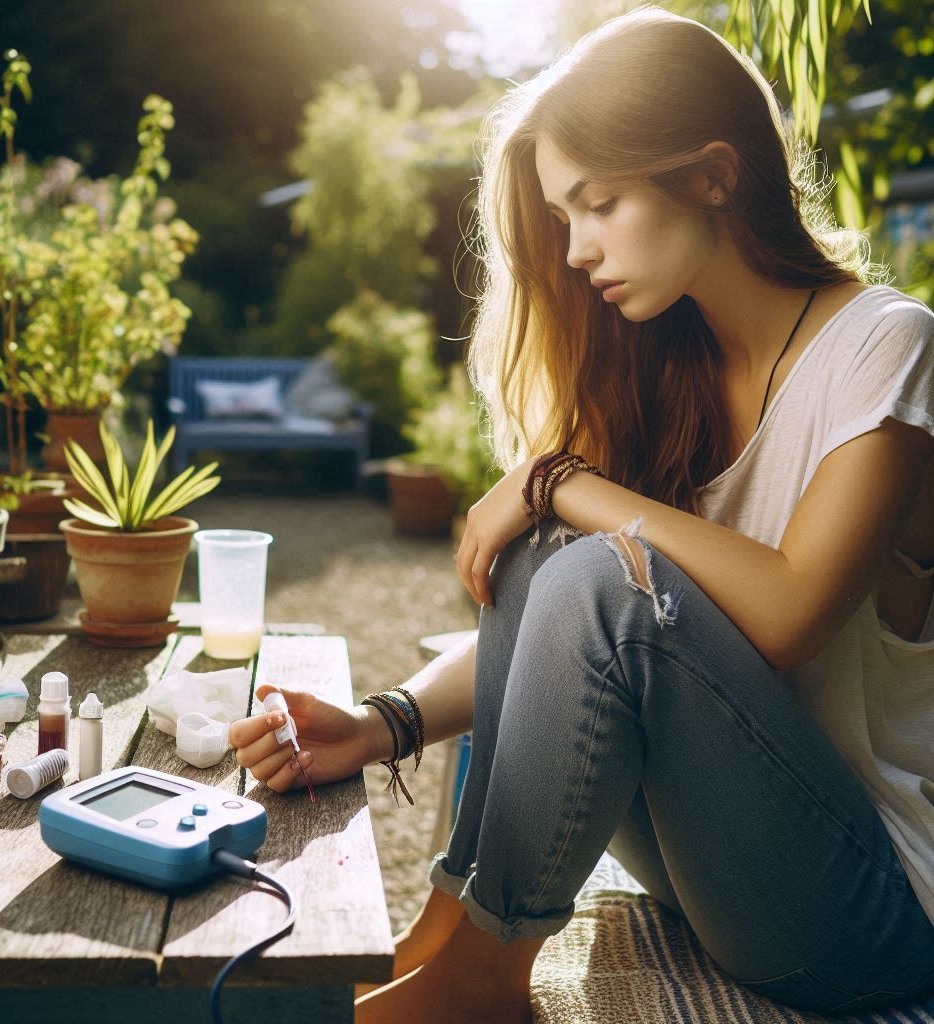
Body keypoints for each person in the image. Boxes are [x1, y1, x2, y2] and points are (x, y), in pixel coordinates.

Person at [230, 7, 934, 1022]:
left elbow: (788, 613)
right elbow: (563, 628)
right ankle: (448, 933)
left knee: (595, 554)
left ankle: (483, 981)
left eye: (596, 204)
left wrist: (558, 481)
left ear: (711, 175)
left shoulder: (888, 347)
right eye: (564, 218)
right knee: (560, 554)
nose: (573, 250)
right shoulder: (675, 369)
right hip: (731, 852)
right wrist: (384, 723)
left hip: (873, 905)